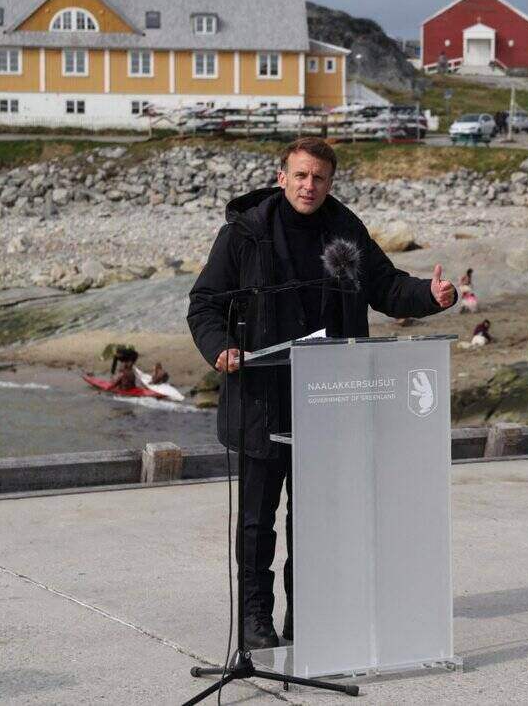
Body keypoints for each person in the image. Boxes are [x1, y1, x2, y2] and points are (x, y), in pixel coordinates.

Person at [187, 136, 457, 649]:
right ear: (281, 176)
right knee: (256, 523)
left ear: (331, 182)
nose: (310, 186)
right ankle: (255, 620)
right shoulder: (244, 234)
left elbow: (387, 286)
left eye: (321, 178)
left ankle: (306, 617)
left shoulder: (345, 229)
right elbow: (203, 305)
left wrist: (431, 294)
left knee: (314, 523)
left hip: (329, 400)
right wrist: (219, 348)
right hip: (261, 398)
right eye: (302, 175)